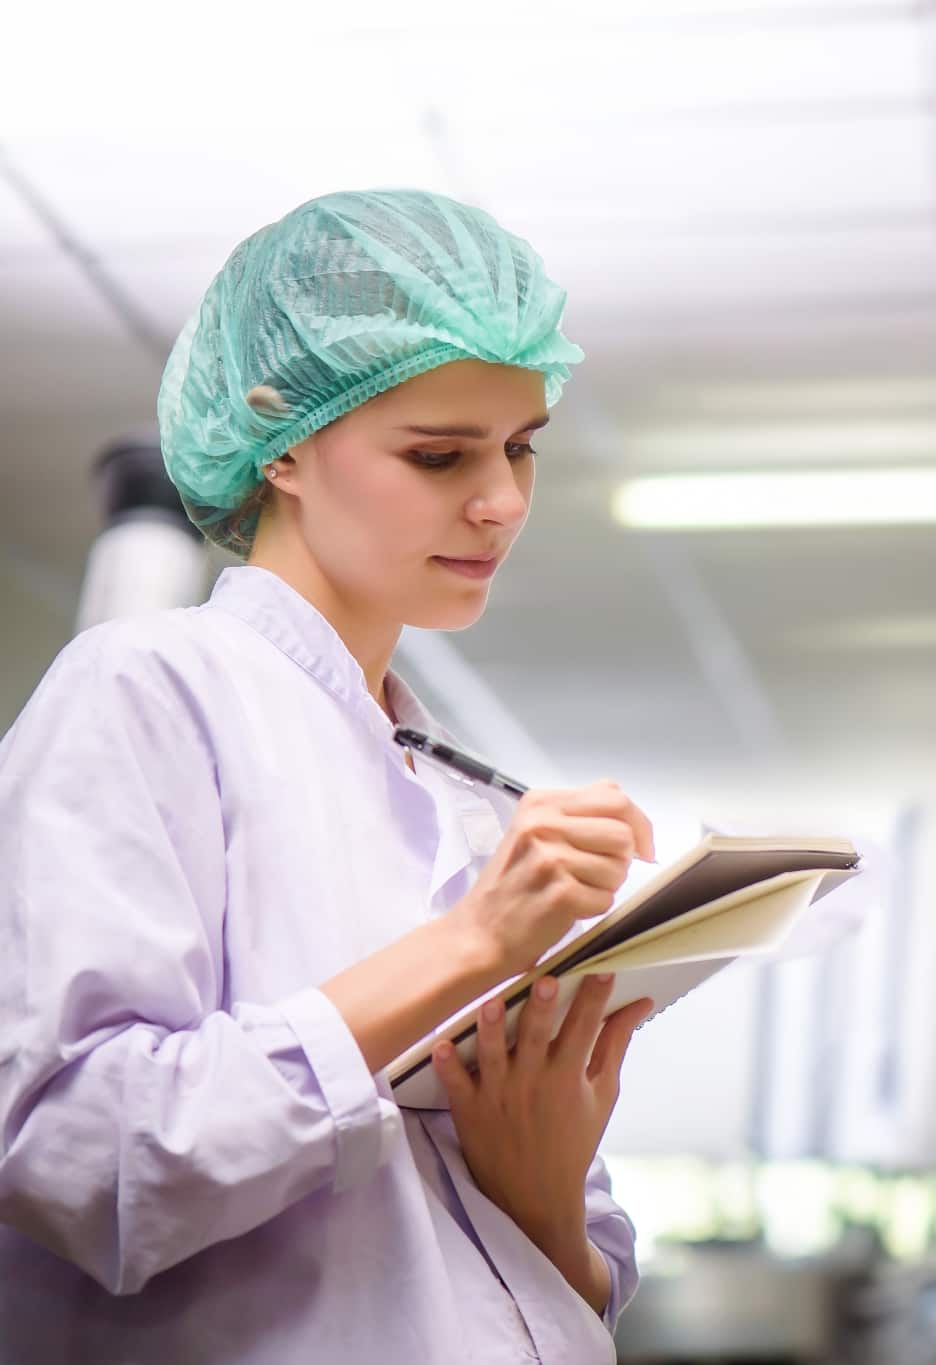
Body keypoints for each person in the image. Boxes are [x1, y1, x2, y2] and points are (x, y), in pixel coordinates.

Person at [0, 188, 661, 1362]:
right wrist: (470, 950)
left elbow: (566, 1282)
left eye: (518, 448)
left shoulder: (468, 799)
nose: (501, 500)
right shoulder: (146, 690)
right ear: (284, 444)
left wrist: (542, 1185)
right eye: (437, 453)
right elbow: (75, 1166)